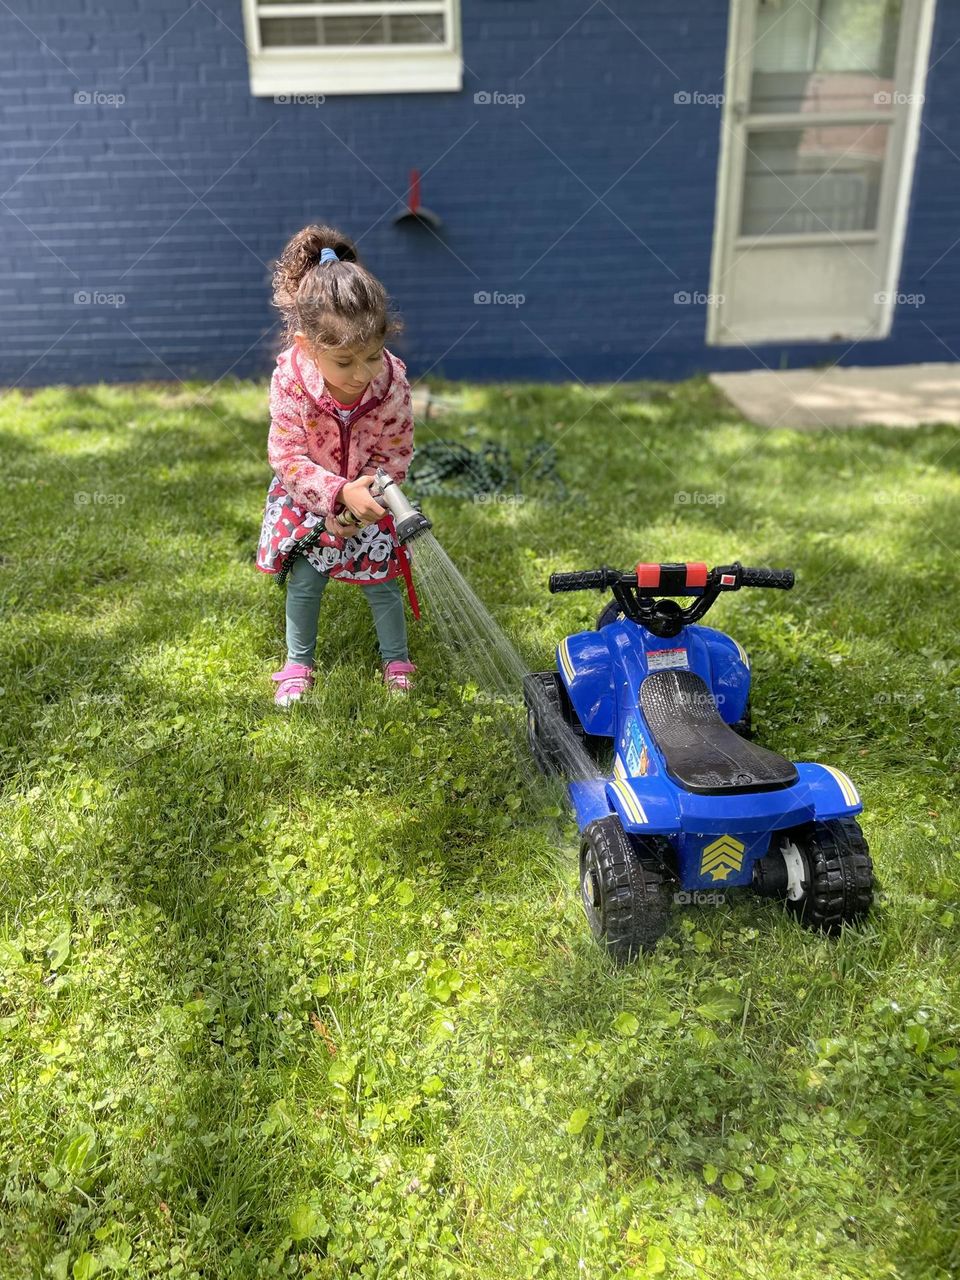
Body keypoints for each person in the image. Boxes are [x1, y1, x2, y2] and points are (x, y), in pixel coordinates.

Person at [255, 223, 418, 706]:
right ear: (308, 346)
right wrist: (334, 495)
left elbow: (397, 448)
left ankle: (397, 659)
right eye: (345, 362)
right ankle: (298, 664)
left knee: (381, 578)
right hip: (309, 493)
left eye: (372, 356)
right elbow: (287, 456)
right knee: (306, 578)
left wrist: (371, 492)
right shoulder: (291, 381)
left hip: (370, 495)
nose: (362, 373)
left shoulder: (391, 382)